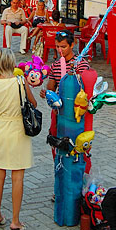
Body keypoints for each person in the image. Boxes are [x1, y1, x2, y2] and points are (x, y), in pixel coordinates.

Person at [0, 48, 36, 230]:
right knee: (17, 177)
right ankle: (15, 219)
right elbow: (34, 104)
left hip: (0, 129)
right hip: (18, 130)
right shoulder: (21, 82)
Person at [40, 29, 90, 200]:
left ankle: (78, 187)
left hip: (75, 117)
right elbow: (50, 87)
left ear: (72, 45)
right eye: (57, 46)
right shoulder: (55, 65)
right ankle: (60, 187)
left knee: (77, 151)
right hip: (58, 116)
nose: (60, 50)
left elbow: (87, 90)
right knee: (58, 150)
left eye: (63, 47)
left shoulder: (81, 65)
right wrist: (47, 93)